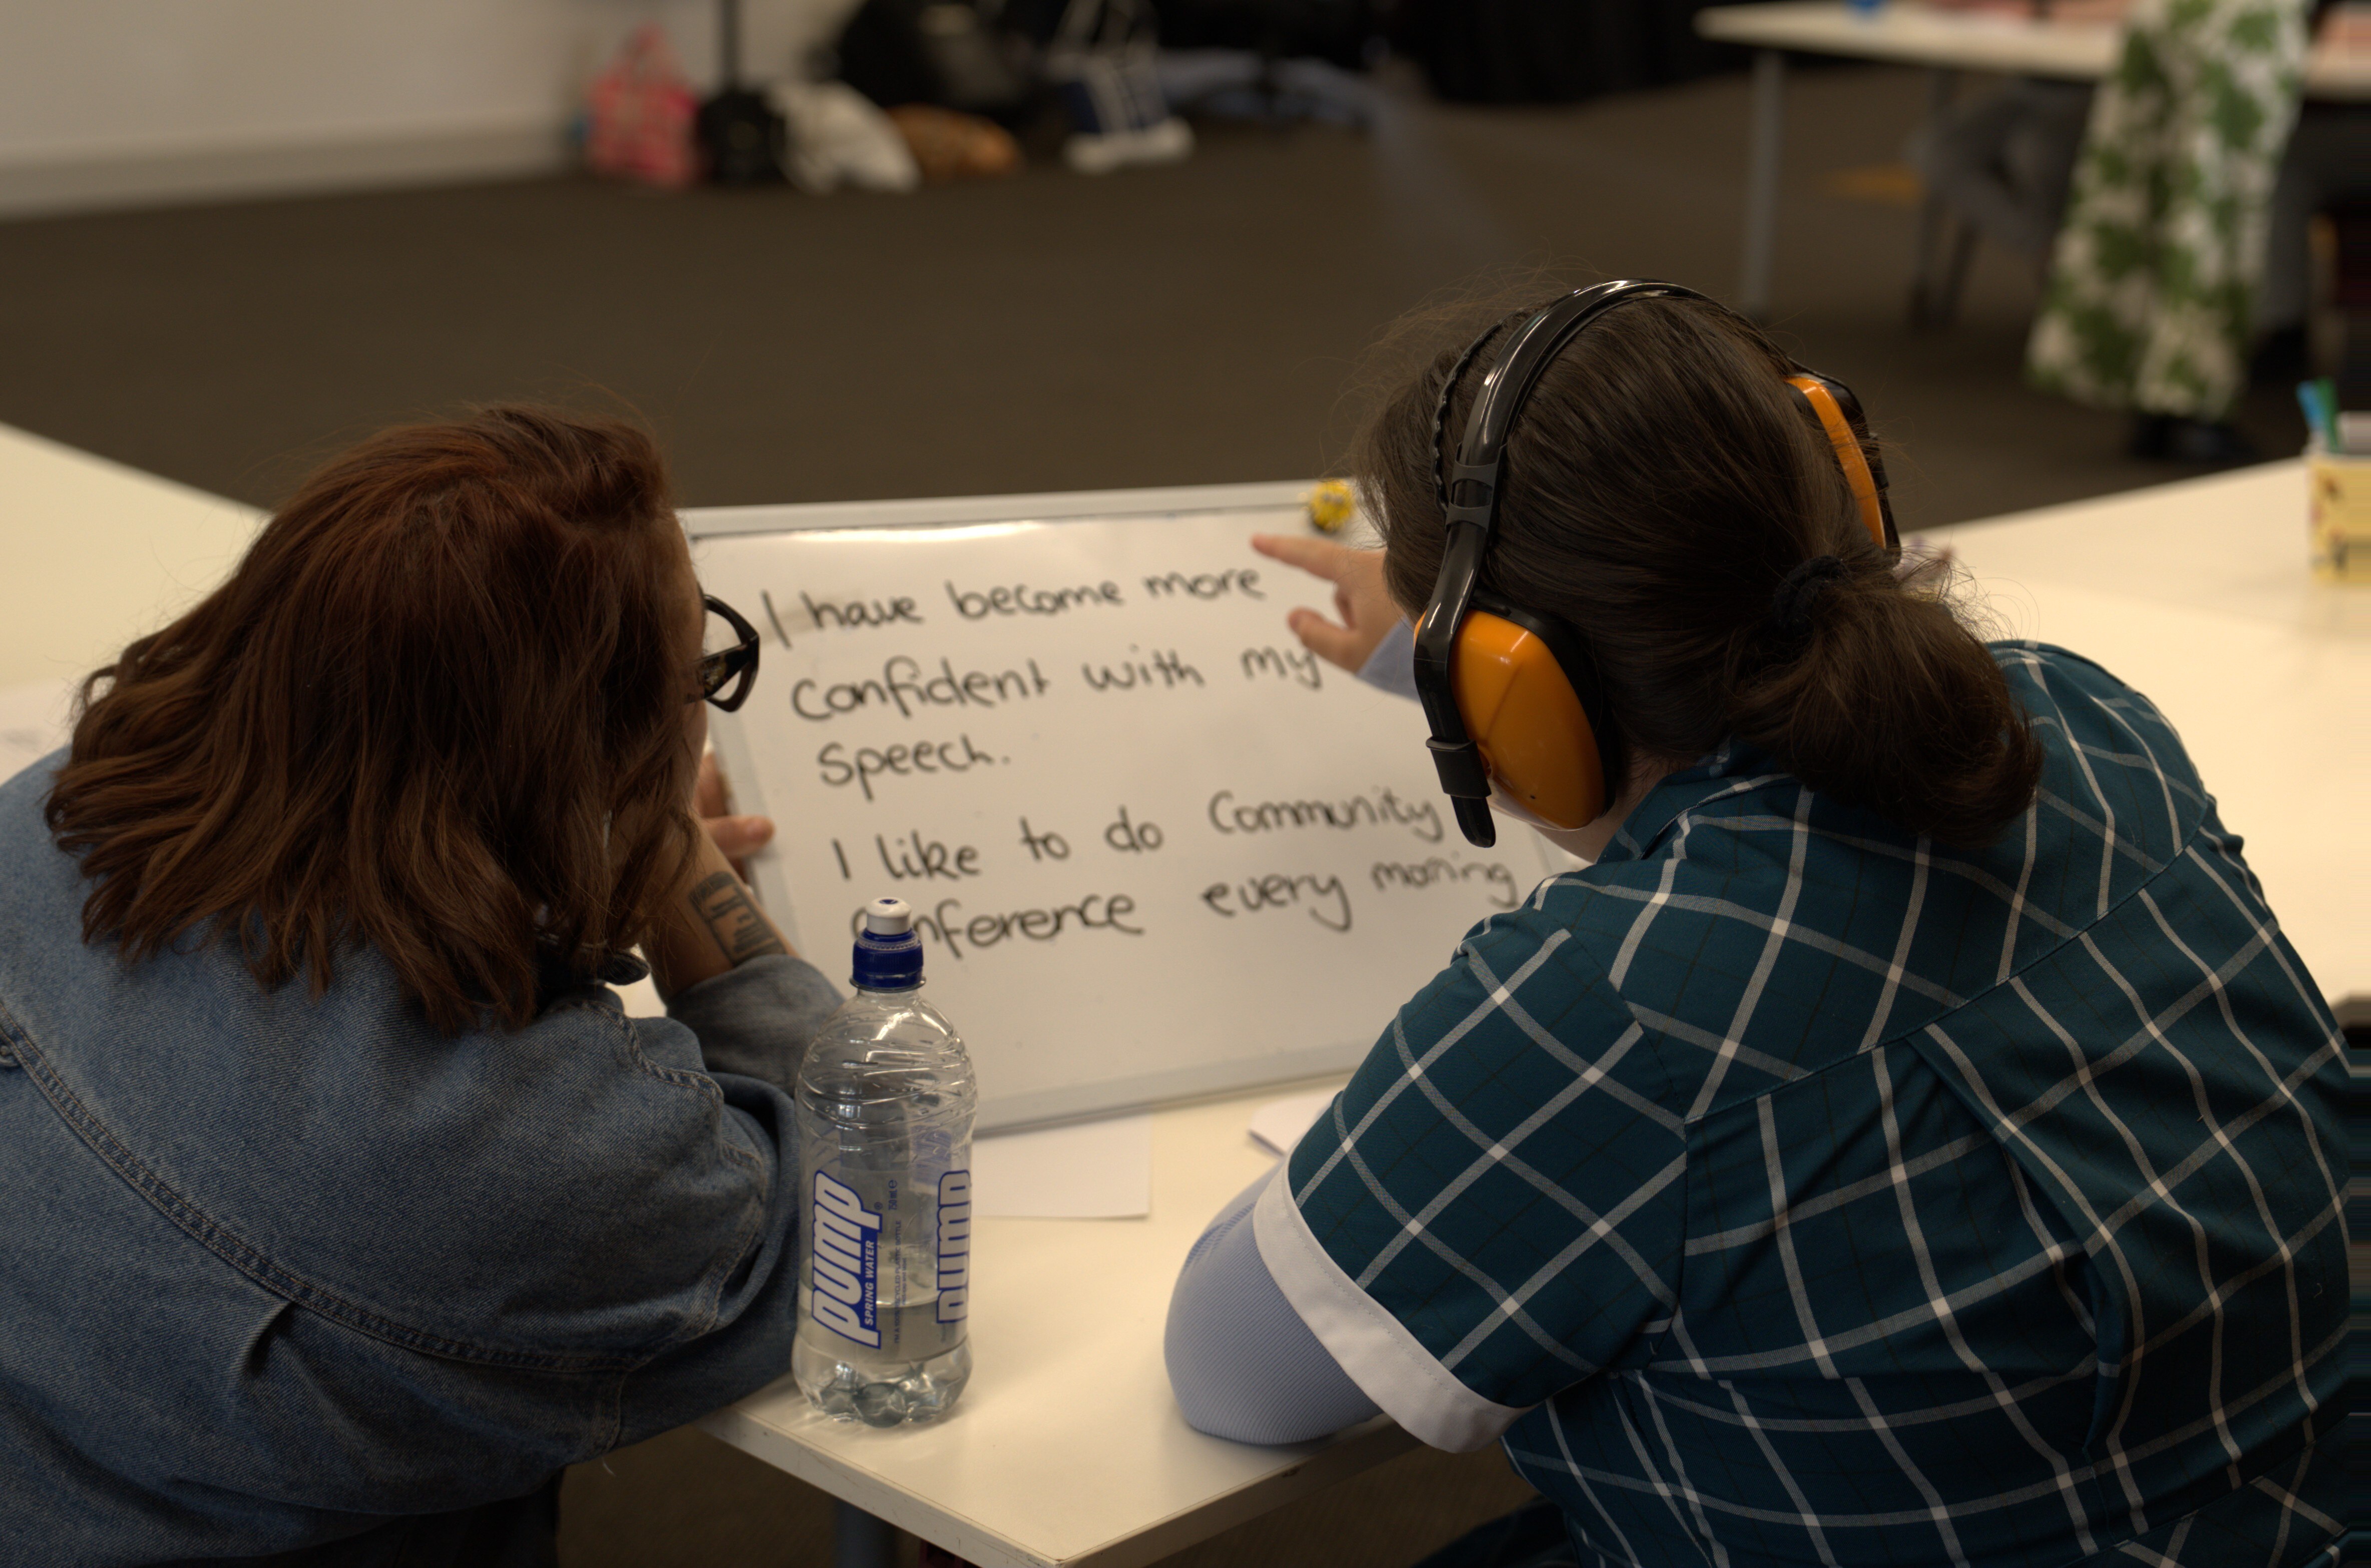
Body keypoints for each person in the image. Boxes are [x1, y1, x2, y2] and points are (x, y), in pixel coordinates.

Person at [1165, 285, 2346, 1567]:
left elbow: (1233, 1373)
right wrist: (1451, 651)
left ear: (1517, 699)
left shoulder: (1602, 1006)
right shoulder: (2078, 721)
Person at [0, 408, 834, 1564]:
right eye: (695, 674)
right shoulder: (534, 1161)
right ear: (582, 752)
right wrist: (673, 864)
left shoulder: (59, 810)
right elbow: (854, 1221)